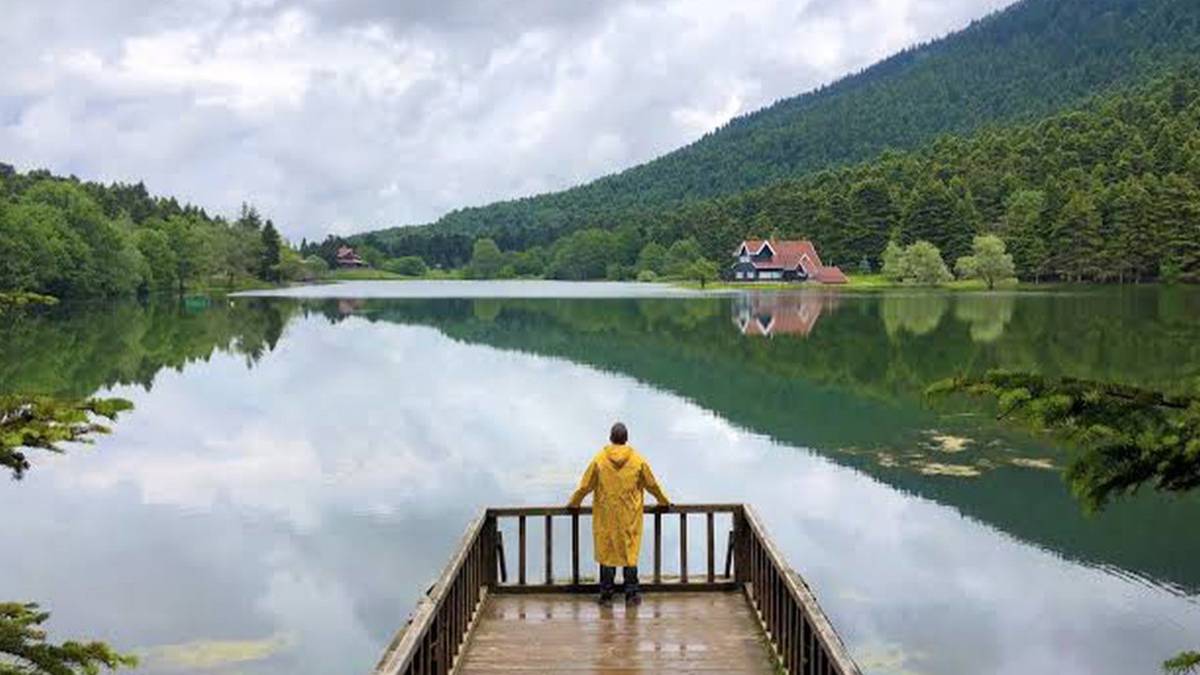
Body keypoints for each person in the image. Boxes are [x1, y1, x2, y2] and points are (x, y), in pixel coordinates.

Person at [567, 422, 670, 605]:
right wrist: (663, 502)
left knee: (607, 553)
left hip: (606, 516)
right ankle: (631, 594)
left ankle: (606, 595)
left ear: (611, 438)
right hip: (629, 517)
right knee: (629, 554)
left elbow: (585, 486)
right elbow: (652, 485)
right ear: (626, 438)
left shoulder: (600, 459)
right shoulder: (638, 460)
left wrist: (574, 503)